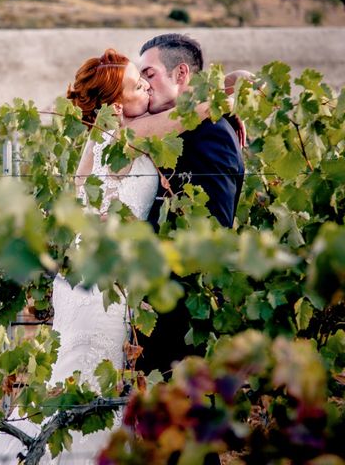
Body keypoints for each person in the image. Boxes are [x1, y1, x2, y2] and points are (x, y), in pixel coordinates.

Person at [0, 48, 217, 464]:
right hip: (104, 286)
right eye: (139, 85)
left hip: (83, 282)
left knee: (78, 375)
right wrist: (239, 87)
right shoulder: (132, 133)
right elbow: (197, 112)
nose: (147, 89)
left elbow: (78, 198)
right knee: (88, 384)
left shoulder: (97, 139)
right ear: (118, 105)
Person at [135, 34, 246, 465]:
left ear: (182, 74)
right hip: (162, 299)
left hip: (181, 303)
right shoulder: (177, 129)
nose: (144, 86)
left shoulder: (212, 133)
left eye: (150, 74)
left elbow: (212, 227)